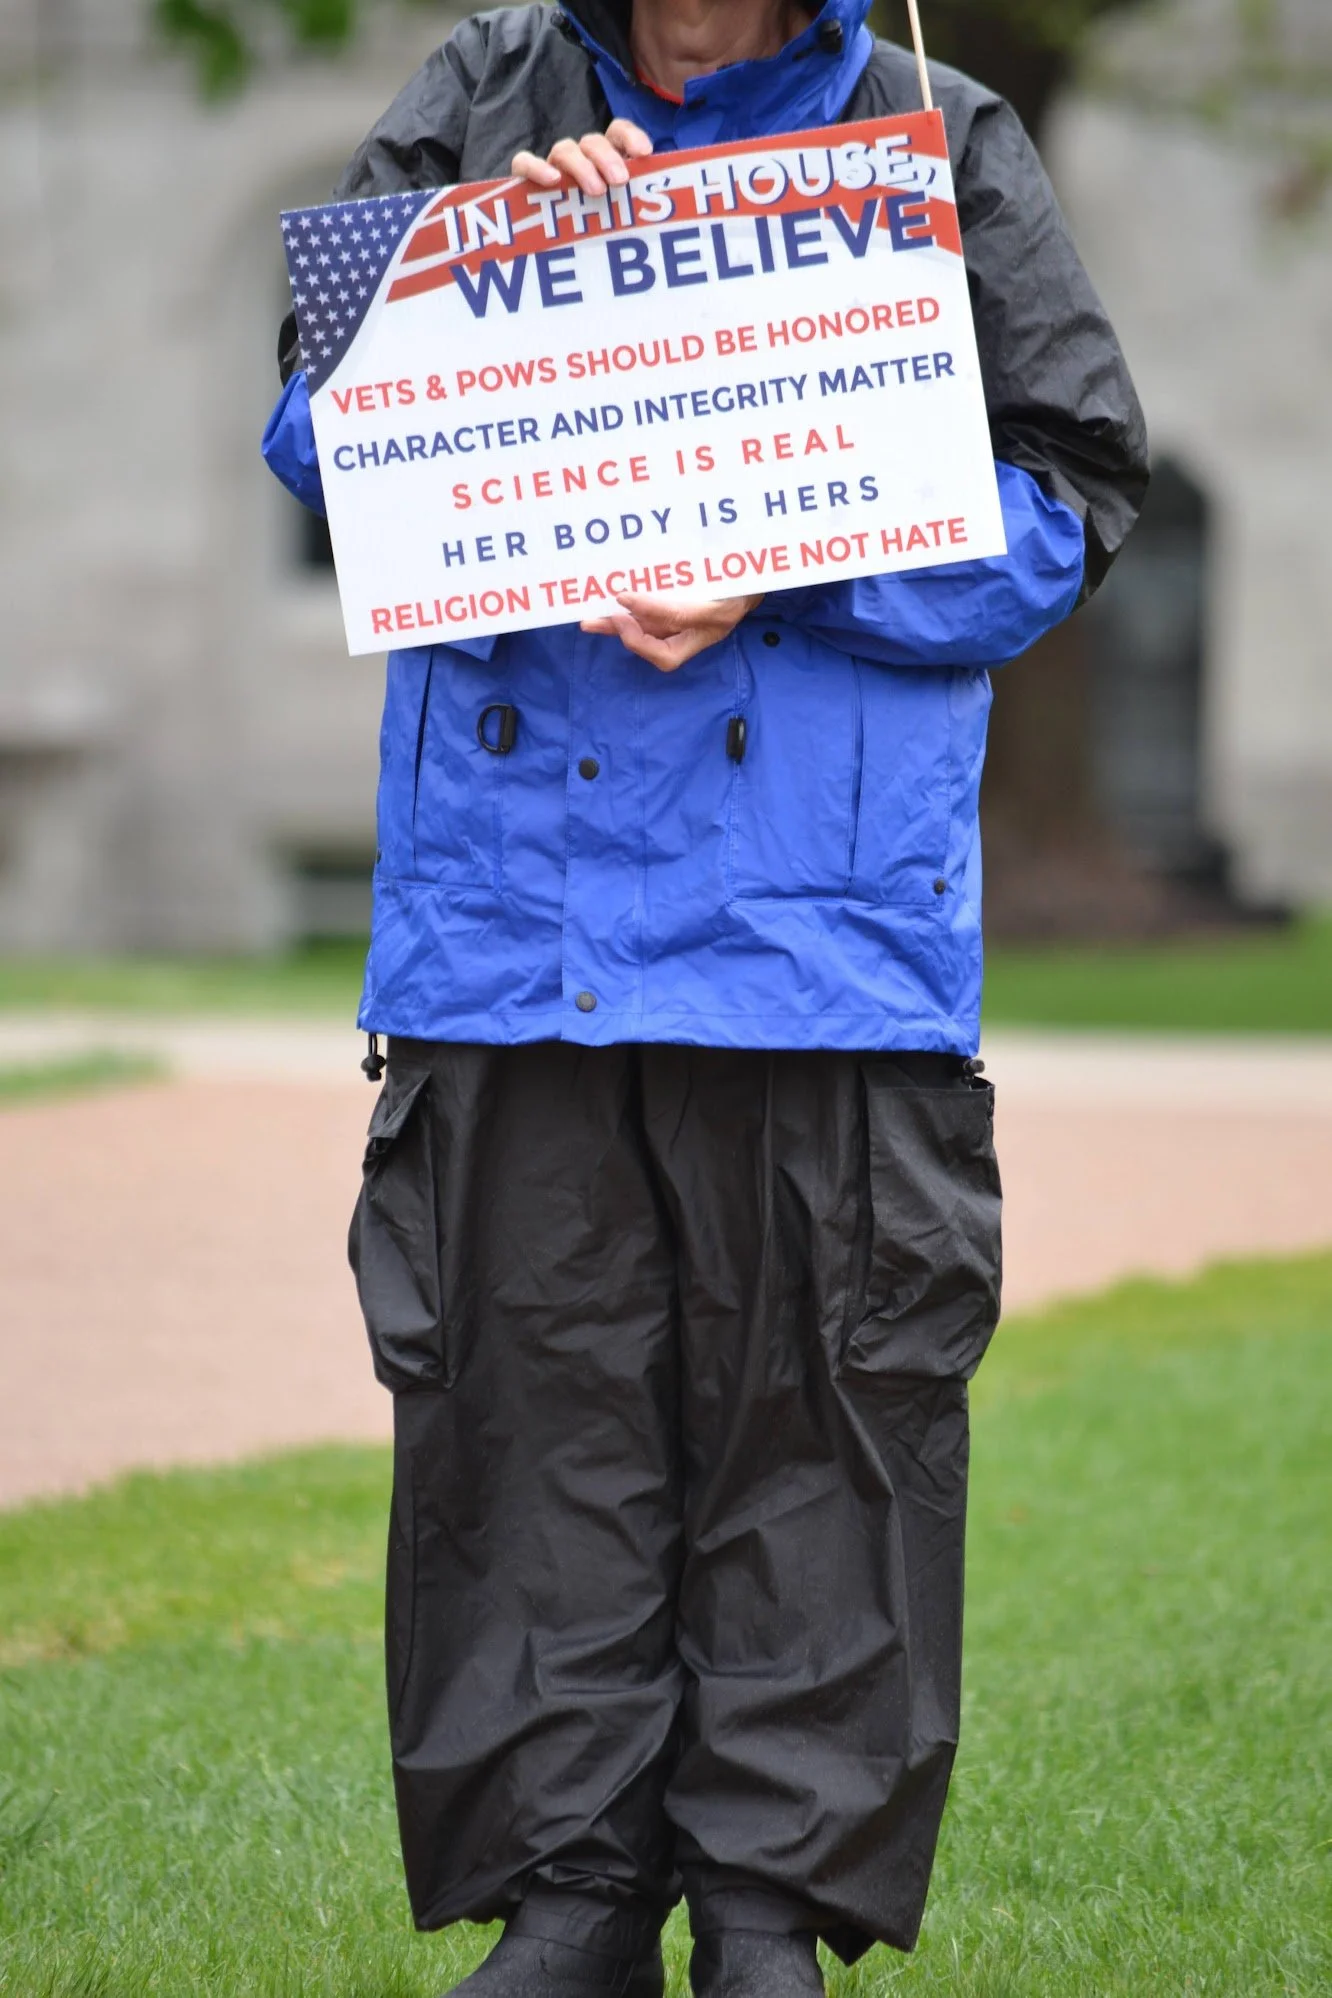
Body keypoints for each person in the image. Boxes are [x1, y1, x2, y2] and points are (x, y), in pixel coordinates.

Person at [263, 3, 1147, 1993]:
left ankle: (766, 1916)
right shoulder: (475, 106)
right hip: (518, 922)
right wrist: (486, 276)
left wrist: (791, 559)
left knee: (818, 1432)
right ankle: (570, 1899)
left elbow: (1071, 508)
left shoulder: (937, 125)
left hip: (820, 934)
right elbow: (323, 448)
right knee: (529, 1421)